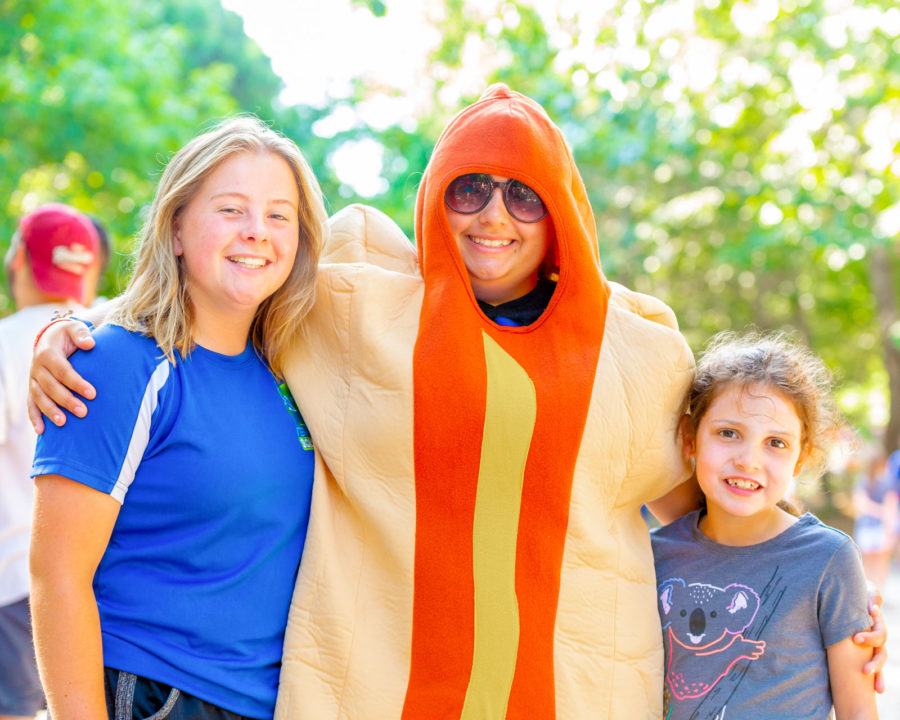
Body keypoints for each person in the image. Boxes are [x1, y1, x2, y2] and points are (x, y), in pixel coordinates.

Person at [26, 86, 887, 718]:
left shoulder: (636, 355)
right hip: (355, 693)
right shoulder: (348, 310)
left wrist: (818, 594)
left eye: (523, 194)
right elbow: (217, 297)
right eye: (470, 189)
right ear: (437, 197)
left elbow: (710, 503)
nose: (494, 216)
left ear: (561, 216)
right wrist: (66, 331)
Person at [28, 116, 327, 720]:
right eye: (231, 210)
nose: (256, 234)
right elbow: (56, 577)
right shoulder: (117, 364)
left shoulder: (291, 368)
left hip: (267, 702)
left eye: (278, 215)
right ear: (177, 229)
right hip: (155, 696)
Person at [652, 331, 878, 719]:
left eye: (776, 443)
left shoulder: (829, 559)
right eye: (728, 433)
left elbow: (859, 711)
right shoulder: (655, 554)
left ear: (801, 458)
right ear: (690, 438)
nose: (748, 461)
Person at [0, 203, 100, 720]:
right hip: (96, 585)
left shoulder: (8, 343)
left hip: (15, 581)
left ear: (18, 257)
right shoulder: (104, 334)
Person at [853, 450, 898, 590]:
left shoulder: (865, 480)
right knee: (878, 565)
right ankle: (876, 593)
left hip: (869, 527)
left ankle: (871, 594)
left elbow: (861, 504)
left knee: (869, 564)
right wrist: (884, 515)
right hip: (875, 527)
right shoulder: (871, 480)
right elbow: (889, 505)